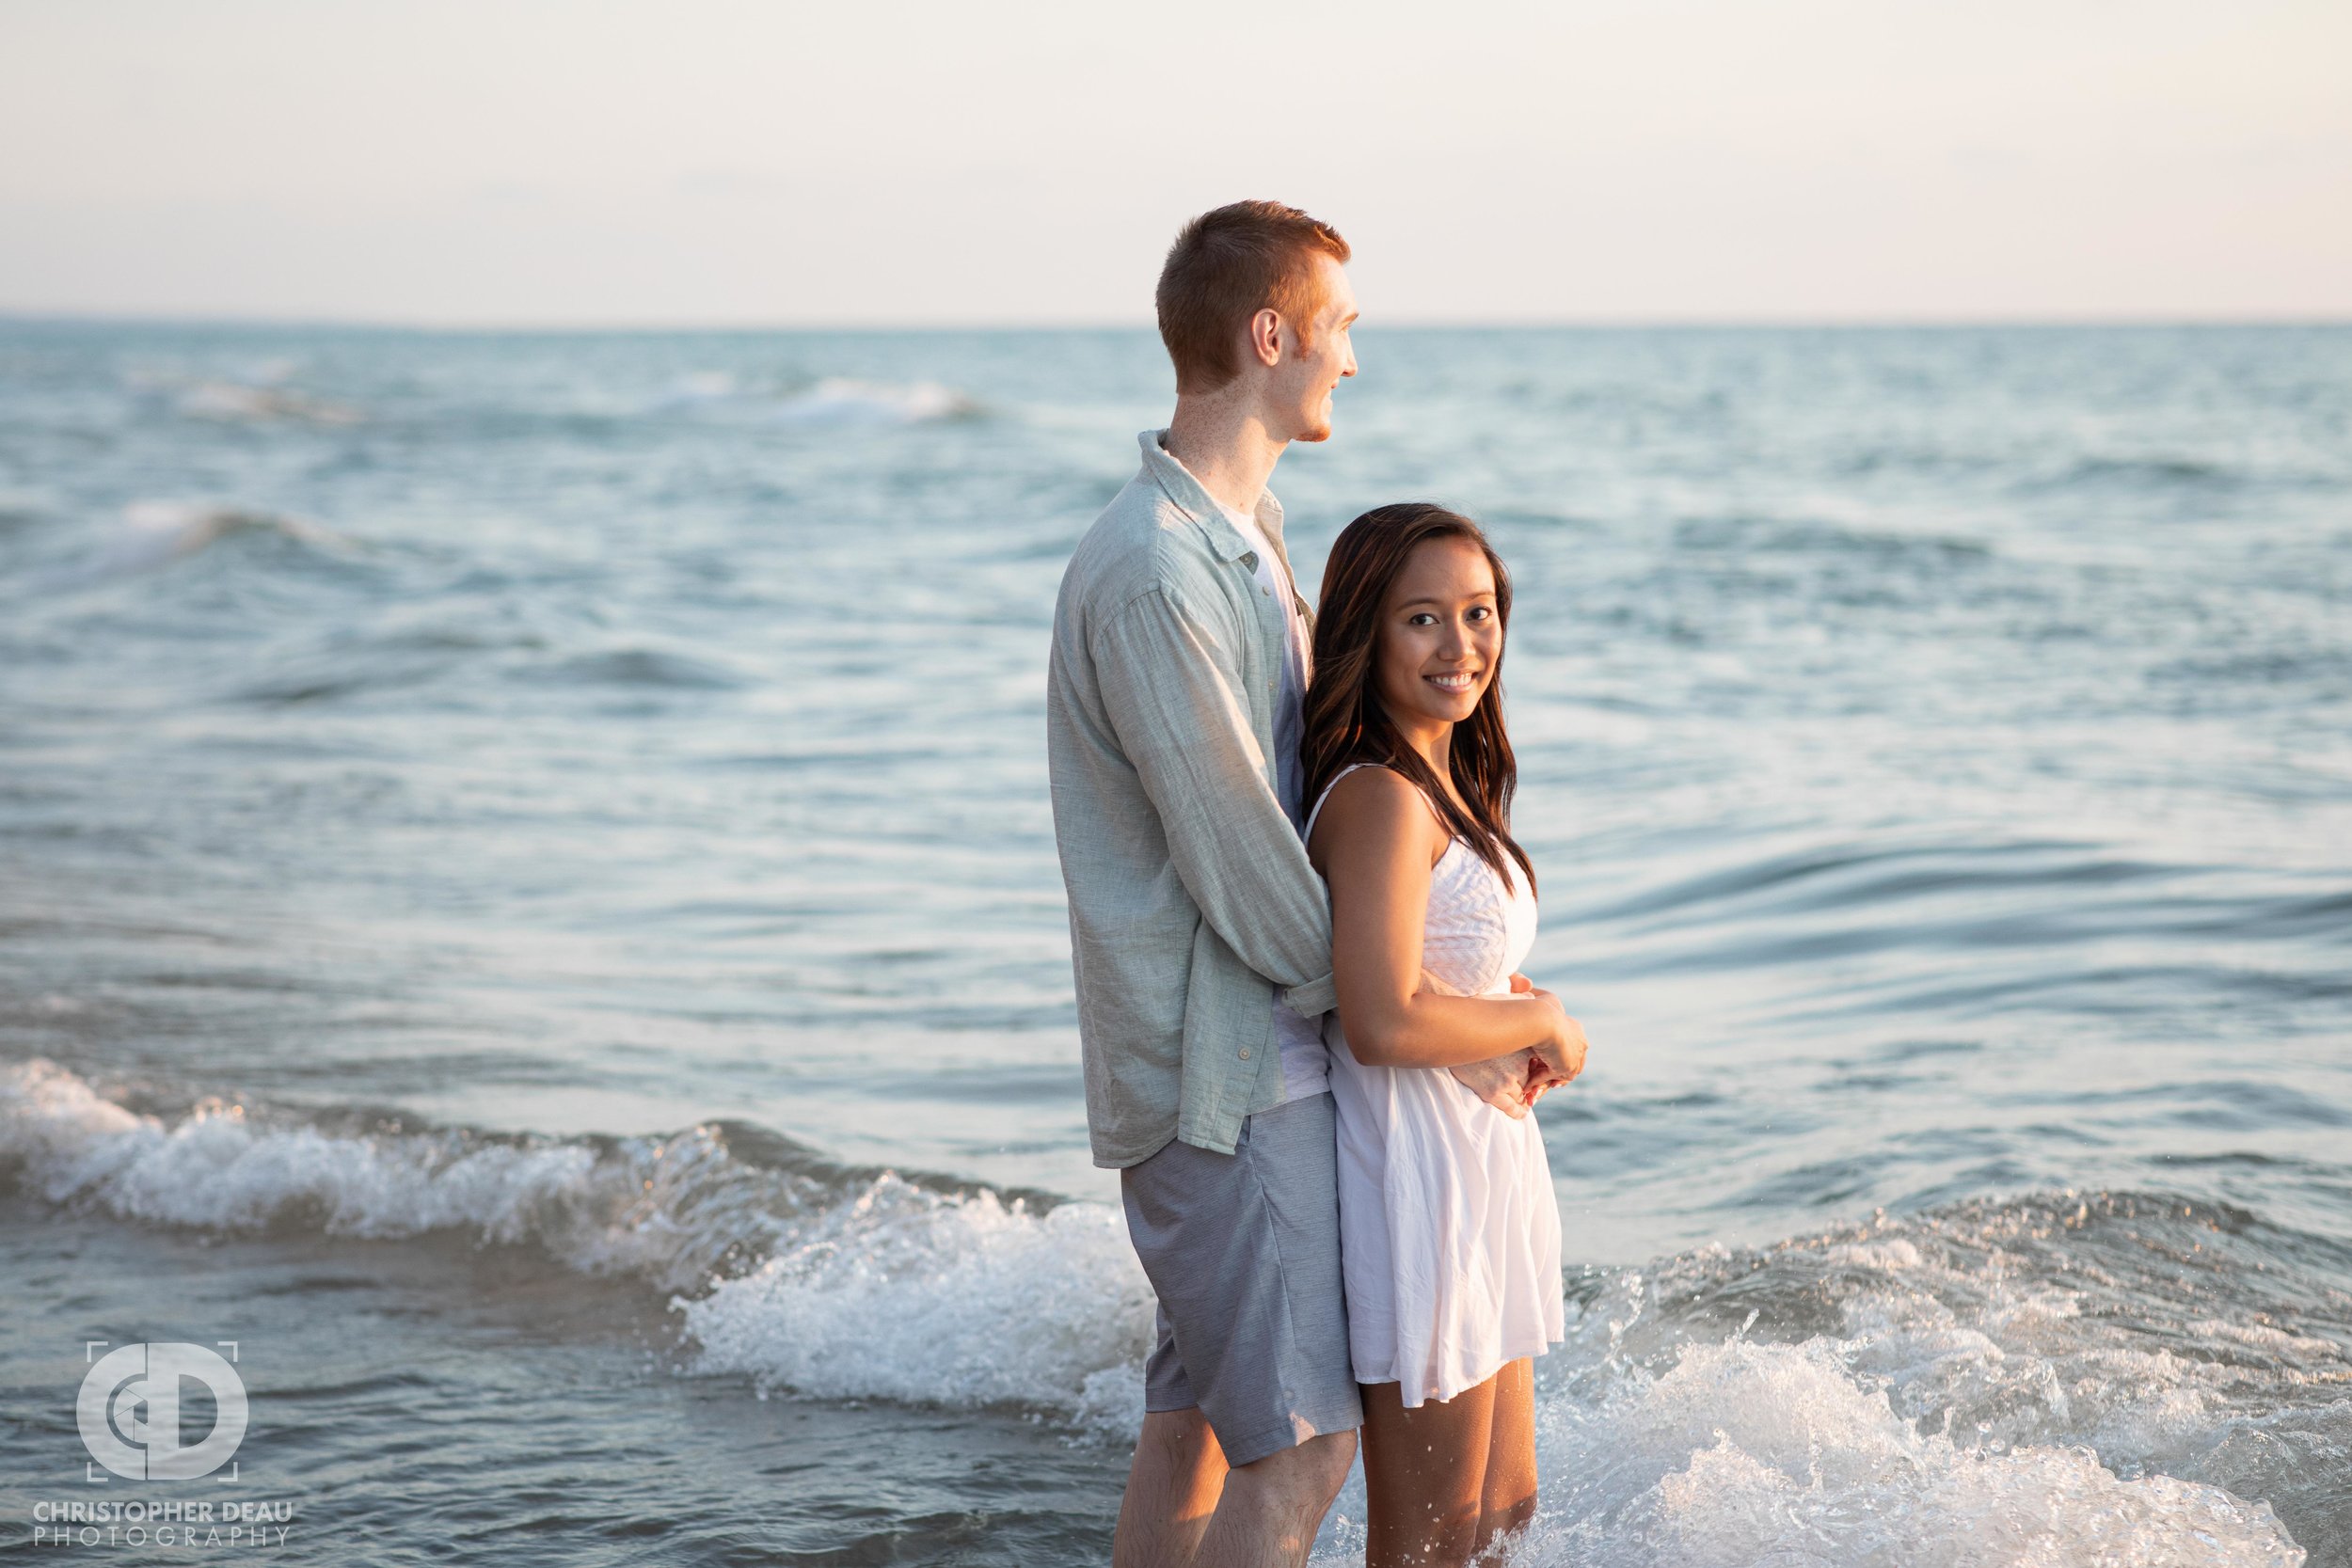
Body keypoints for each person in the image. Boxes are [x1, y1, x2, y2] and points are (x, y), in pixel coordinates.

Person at [1045, 203, 1578, 1568]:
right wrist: (1401, 1004)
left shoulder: (1246, 536)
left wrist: (1427, 997)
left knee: (1195, 1428)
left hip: (1245, 1071)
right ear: (1271, 335)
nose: (1352, 357)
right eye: (1339, 327)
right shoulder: (1160, 569)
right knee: (1303, 1449)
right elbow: (1243, 858)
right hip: (1228, 1081)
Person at [1301, 503, 1588, 1568]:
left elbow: (1427, 968)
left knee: (1503, 1520)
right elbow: (1379, 1017)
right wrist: (1543, 1019)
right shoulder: (1378, 794)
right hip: (1420, 1185)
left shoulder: (1443, 782)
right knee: (1428, 1544)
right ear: (1366, 632)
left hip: (1480, 1173)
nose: (1460, 645)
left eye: (1478, 612)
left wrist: (1502, 998)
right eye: (1422, 617)